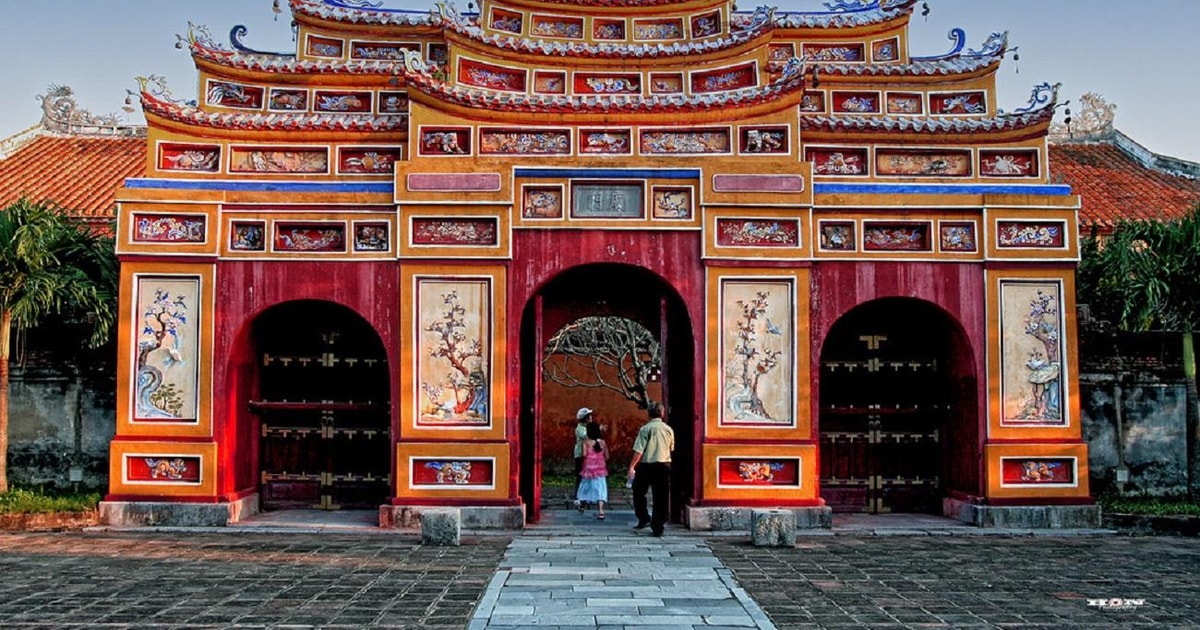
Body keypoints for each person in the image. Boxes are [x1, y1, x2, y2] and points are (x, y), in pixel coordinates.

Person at [628, 401, 674, 537]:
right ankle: (658, 525)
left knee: (638, 491)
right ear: (662, 413)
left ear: (649, 414)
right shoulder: (668, 429)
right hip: (663, 465)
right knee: (661, 496)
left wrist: (632, 466)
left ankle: (643, 517)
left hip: (646, 465)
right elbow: (671, 448)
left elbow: (639, 450)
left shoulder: (645, 429)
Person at [576, 421, 609, 519]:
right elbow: (607, 456)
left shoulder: (585, 442)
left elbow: (584, 455)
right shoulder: (602, 442)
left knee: (586, 486)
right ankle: (601, 511)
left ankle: (582, 503)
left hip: (588, 469)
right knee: (600, 488)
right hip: (600, 469)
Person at [572, 407, 592, 508]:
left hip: (587, 455)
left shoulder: (586, 428)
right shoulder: (580, 429)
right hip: (580, 455)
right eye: (589, 416)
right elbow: (586, 436)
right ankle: (578, 497)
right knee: (580, 476)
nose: (591, 418)